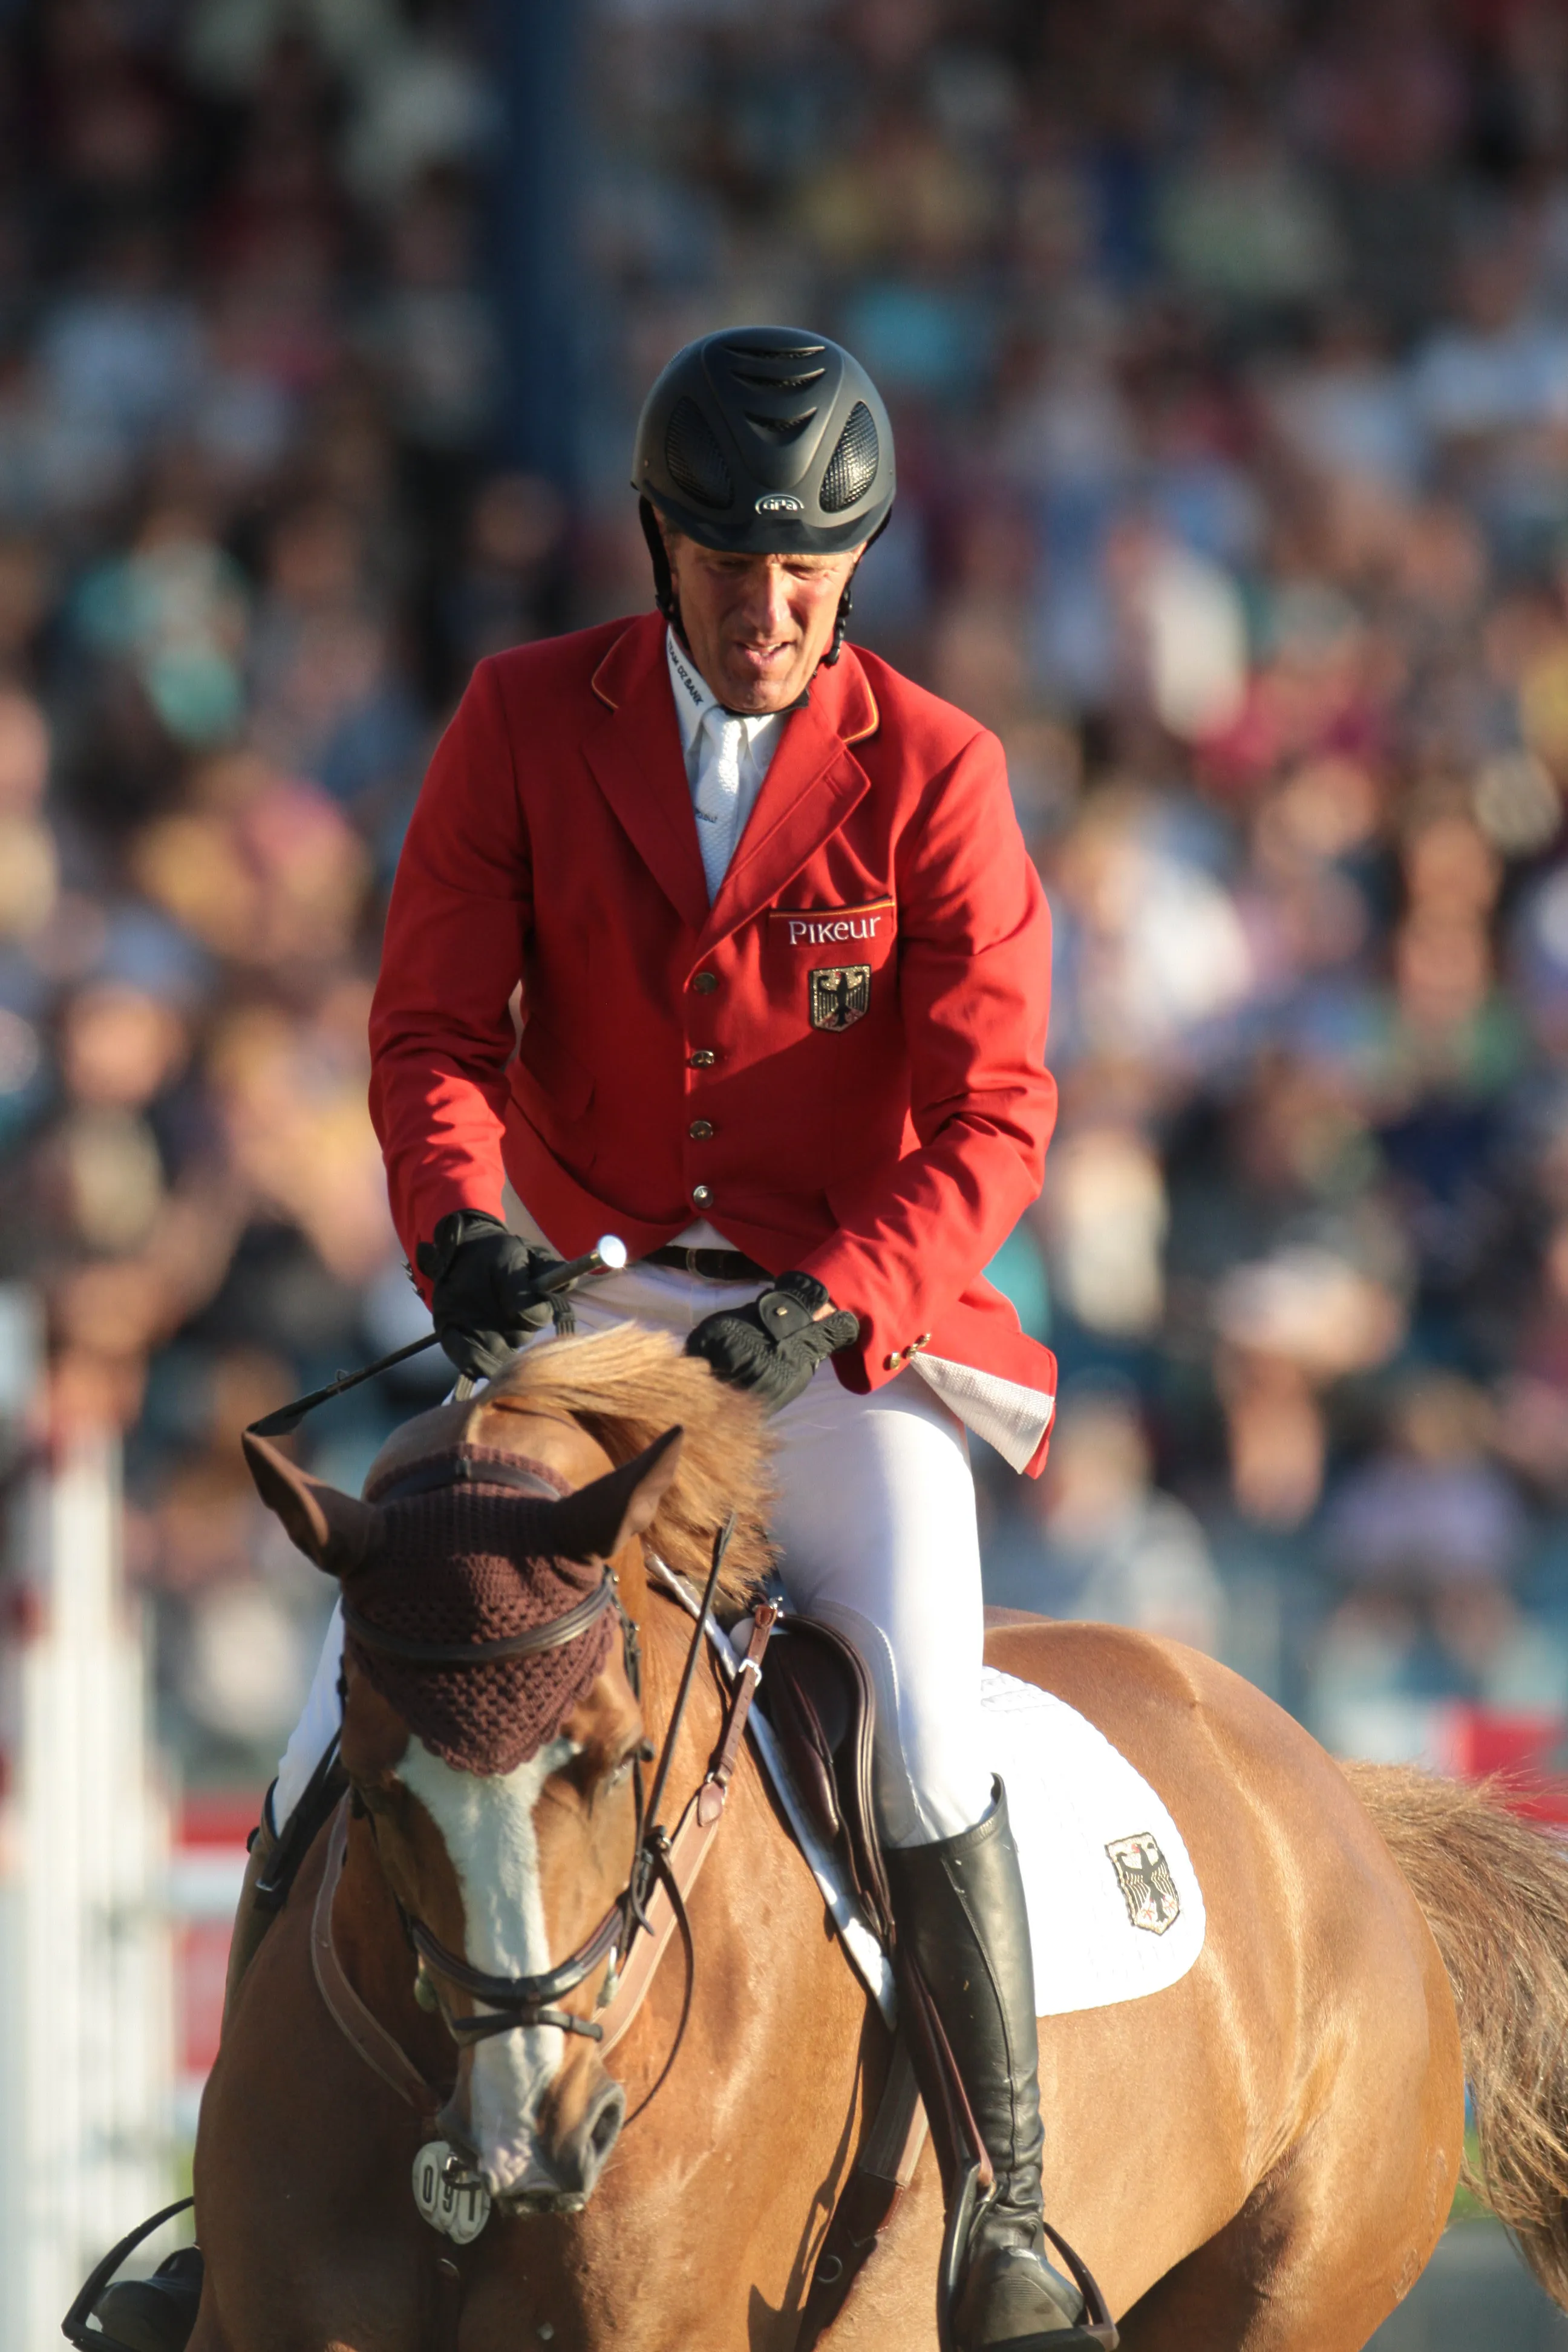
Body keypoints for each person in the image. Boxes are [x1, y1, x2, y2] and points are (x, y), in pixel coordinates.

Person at [110, 328, 1080, 2352]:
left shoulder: (944, 774)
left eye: (812, 564)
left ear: (860, 562)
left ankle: (1010, 2209)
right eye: (733, 558)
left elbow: (999, 1115)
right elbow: (435, 1038)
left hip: (838, 1343)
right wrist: (461, 1234)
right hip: (582, 1319)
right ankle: (230, 2210)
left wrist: (838, 1301)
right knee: (348, 1687)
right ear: (660, 543)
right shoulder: (525, 720)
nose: (771, 602)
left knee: (920, 1699)